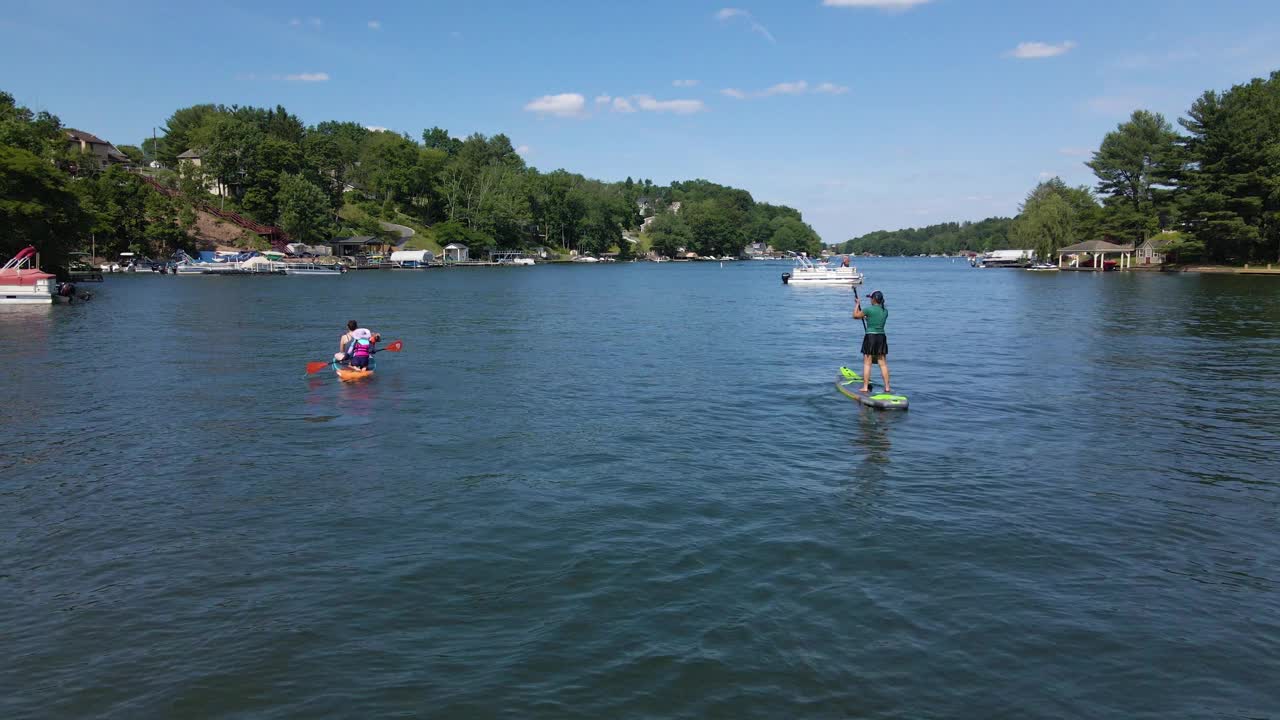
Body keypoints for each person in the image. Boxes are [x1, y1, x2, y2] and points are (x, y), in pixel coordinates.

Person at [853, 290, 890, 393]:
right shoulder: (885, 311)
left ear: (874, 299)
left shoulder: (868, 309)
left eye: (870, 298)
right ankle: (887, 387)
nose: (870, 299)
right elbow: (875, 318)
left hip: (870, 337)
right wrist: (867, 318)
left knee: (867, 363)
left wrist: (857, 304)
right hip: (881, 337)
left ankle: (865, 387)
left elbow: (855, 316)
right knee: (883, 364)